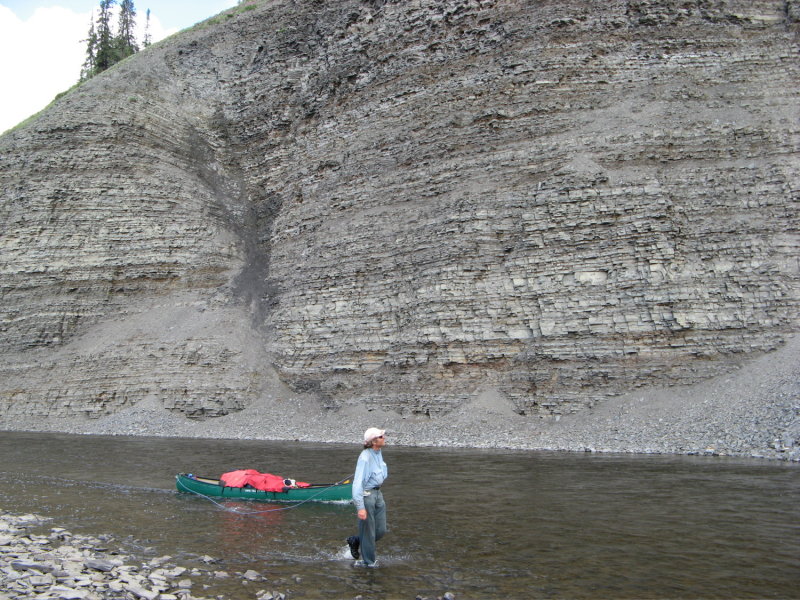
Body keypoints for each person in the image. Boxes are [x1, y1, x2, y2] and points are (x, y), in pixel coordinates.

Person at [347, 427, 388, 567]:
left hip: (378, 494)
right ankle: (369, 563)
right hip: (367, 496)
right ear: (374, 441)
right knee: (369, 532)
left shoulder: (378, 452)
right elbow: (357, 483)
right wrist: (360, 507)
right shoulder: (365, 457)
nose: (385, 437)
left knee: (381, 530)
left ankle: (356, 540)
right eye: (382, 436)